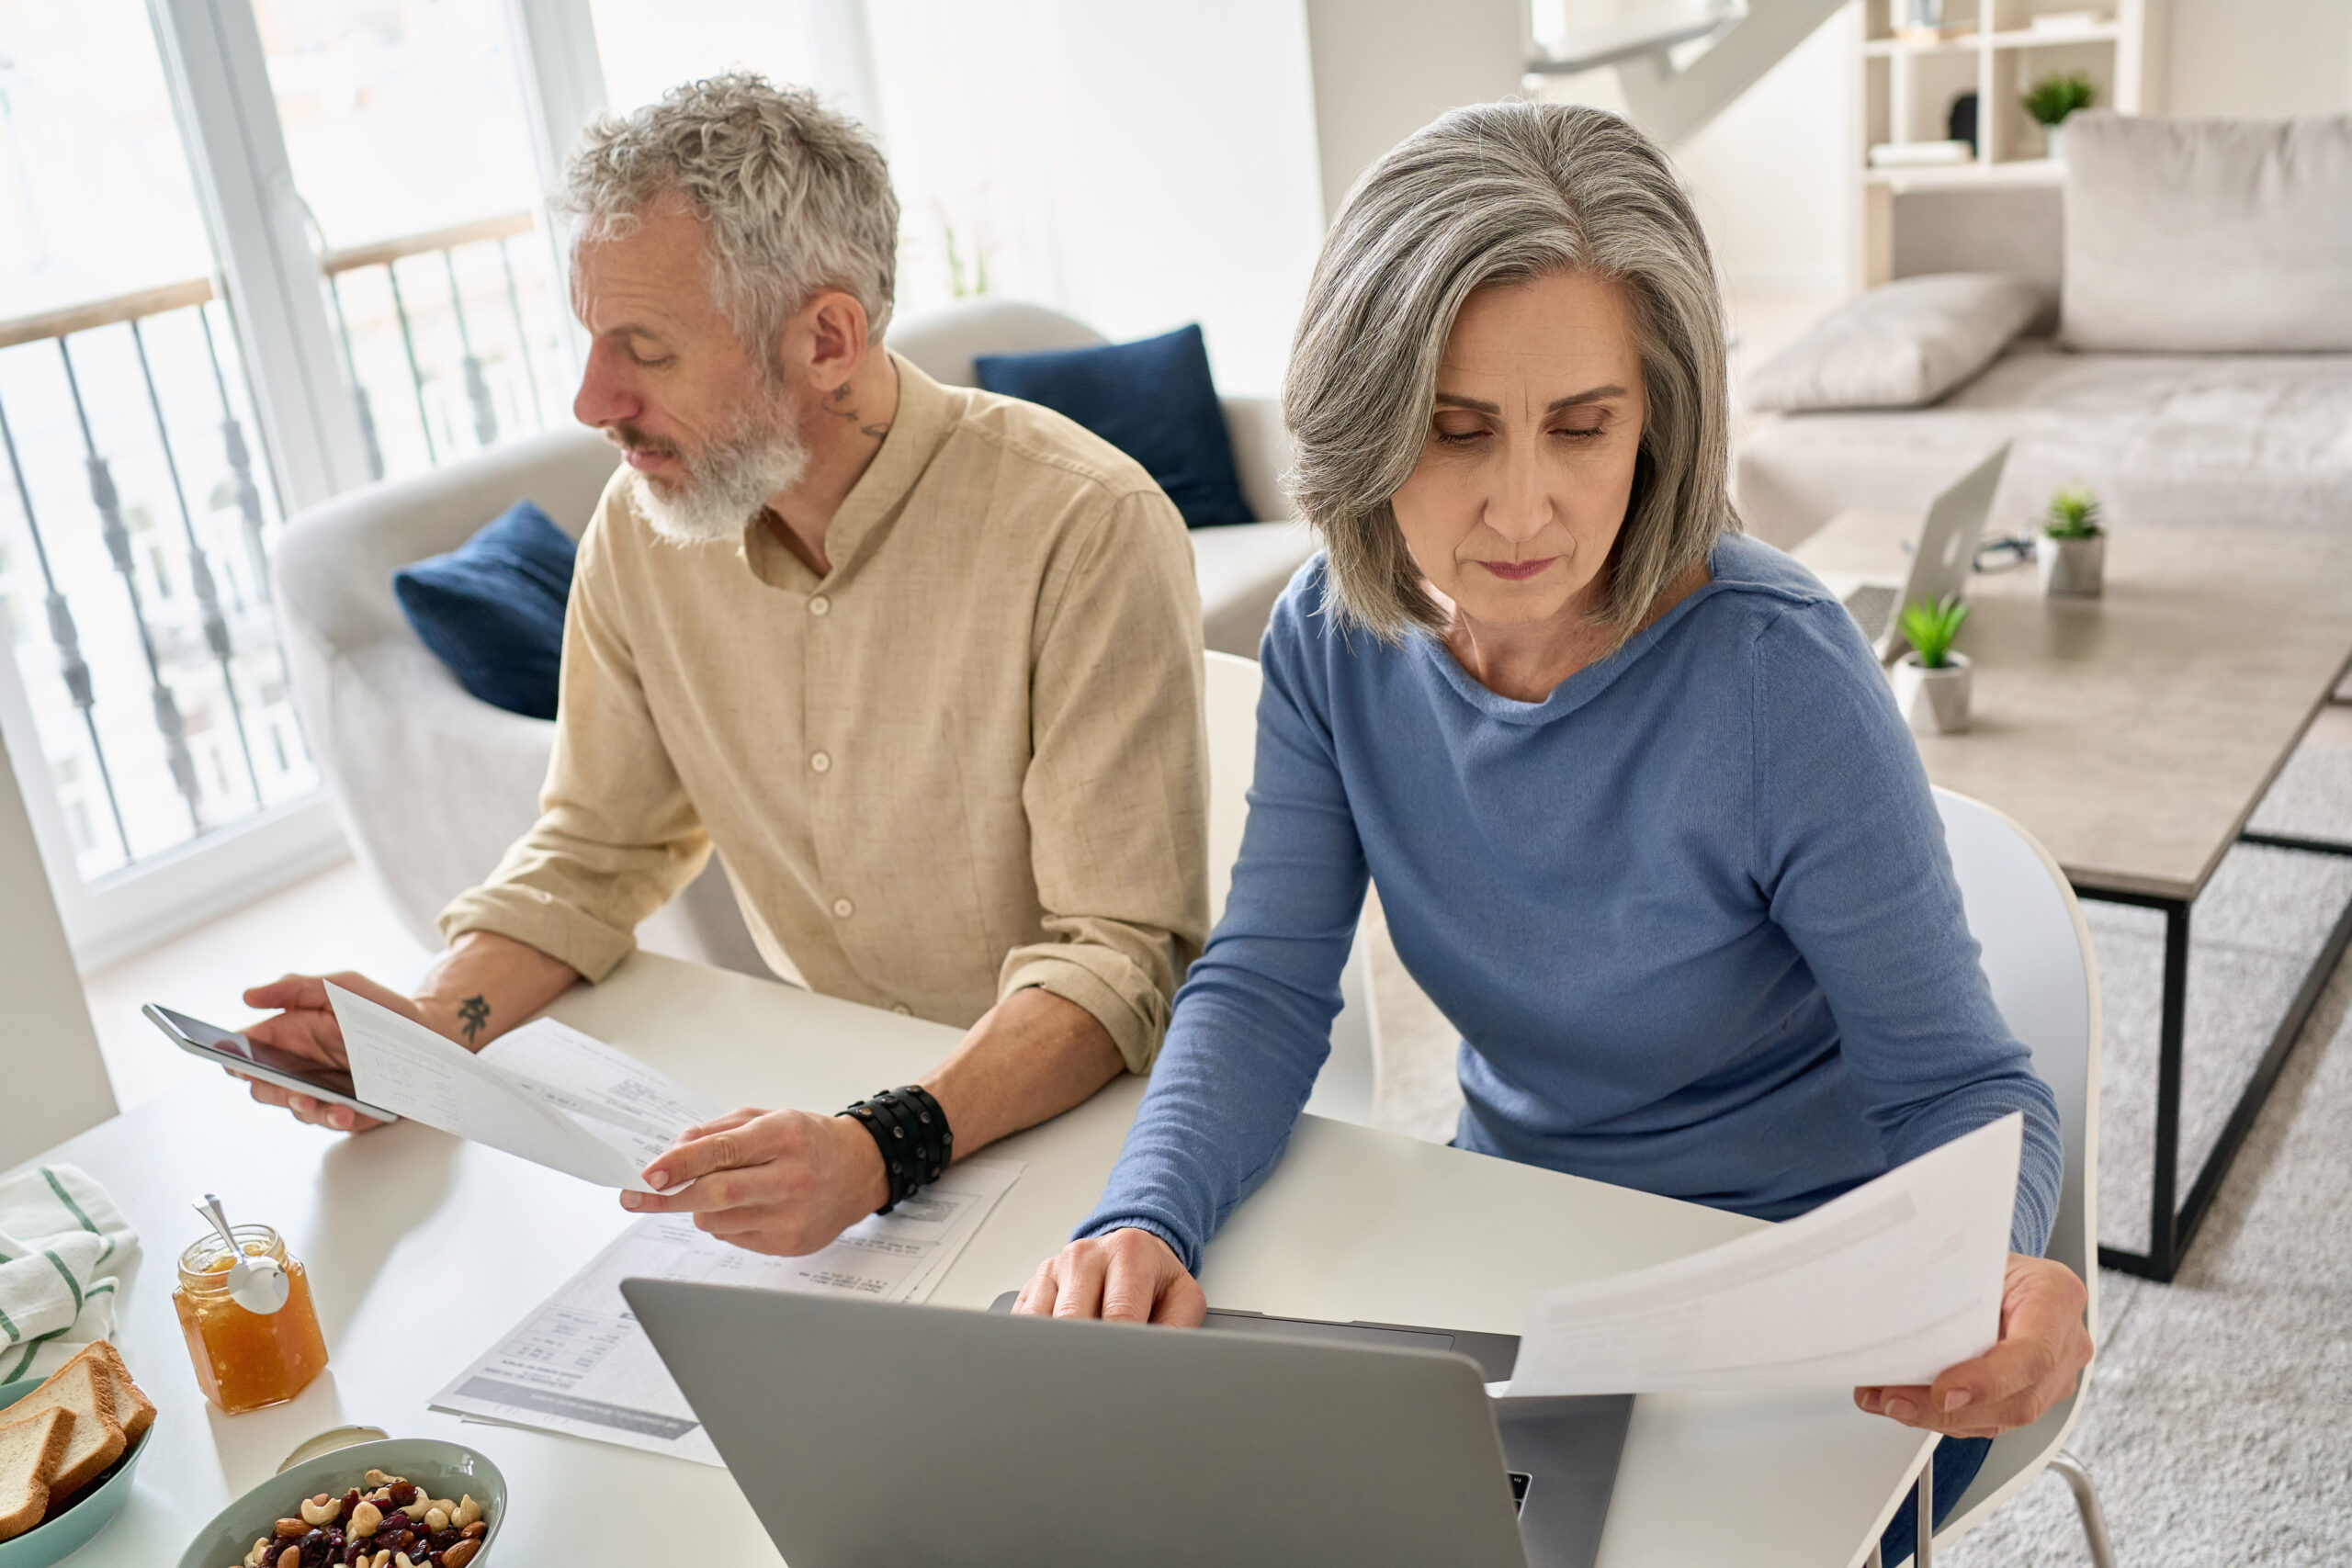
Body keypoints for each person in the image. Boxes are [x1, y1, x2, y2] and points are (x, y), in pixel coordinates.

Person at [1012, 102, 2091, 1557]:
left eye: (1583, 428)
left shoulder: (1778, 674)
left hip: (1803, 1298)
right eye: (1455, 433)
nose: (1523, 506)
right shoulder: (1335, 637)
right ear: (1366, 416)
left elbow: (1960, 1086)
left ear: (1657, 418)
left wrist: (2005, 1267)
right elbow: (1266, 988)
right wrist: (1142, 1215)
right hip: (1516, 1251)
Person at [236, 73, 1208, 1259]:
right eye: (591, 341)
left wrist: (879, 1145)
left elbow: (1117, 956)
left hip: (1069, 1131)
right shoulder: (641, 531)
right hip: (819, 1111)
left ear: (827, 339)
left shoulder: (1083, 525)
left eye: (643, 350)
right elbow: (596, 850)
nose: (592, 400)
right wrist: (433, 1025)